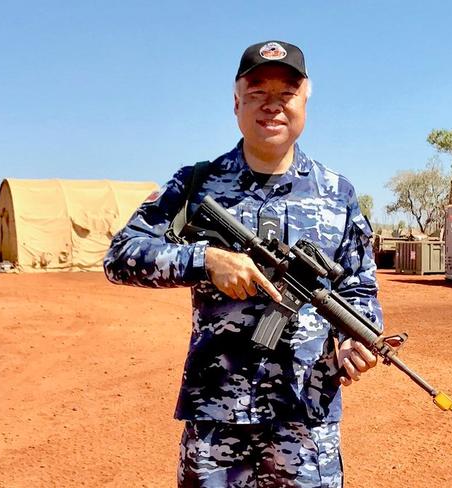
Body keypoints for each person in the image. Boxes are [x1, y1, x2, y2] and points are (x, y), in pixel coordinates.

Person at [104, 40, 383, 488]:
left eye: (285, 94)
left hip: (305, 420)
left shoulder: (338, 195)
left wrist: (355, 344)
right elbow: (121, 257)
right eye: (257, 93)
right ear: (236, 102)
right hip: (216, 420)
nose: (272, 106)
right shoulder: (196, 184)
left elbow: (359, 291)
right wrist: (204, 259)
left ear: (305, 100)